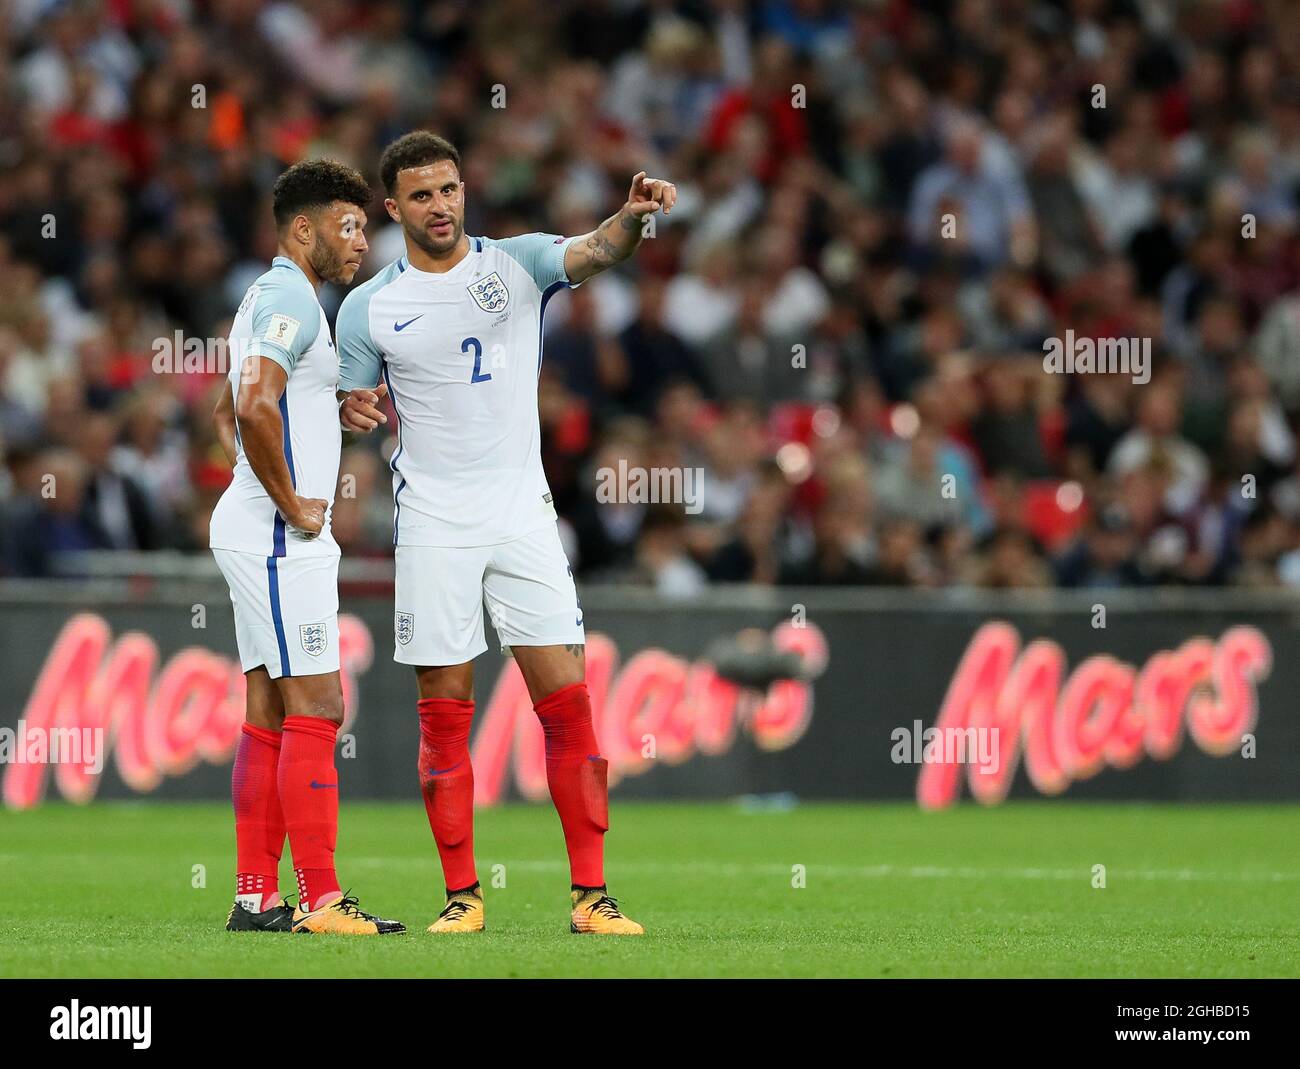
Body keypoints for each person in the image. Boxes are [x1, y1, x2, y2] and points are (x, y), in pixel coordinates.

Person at [337, 131, 675, 935]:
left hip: (523, 514)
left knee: (569, 702)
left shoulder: (515, 263)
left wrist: (632, 216)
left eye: (449, 189)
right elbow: (351, 402)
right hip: (433, 521)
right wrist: (351, 410)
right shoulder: (368, 306)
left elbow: (597, 250)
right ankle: (463, 895)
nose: (441, 205)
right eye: (421, 195)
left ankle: (591, 896)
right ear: (394, 208)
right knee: (444, 707)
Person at [209, 159, 404, 936]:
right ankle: (322, 899)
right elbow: (253, 406)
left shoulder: (273, 295)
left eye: (364, 225)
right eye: (348, 224)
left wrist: (329, 401)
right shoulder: (293, 292)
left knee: (269, 709)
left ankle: (257, 897)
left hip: (255, 528)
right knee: (321, 703)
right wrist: (294, 504)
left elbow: (252, 401)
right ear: (302, 227)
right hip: (277, 534)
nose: (360, 240)